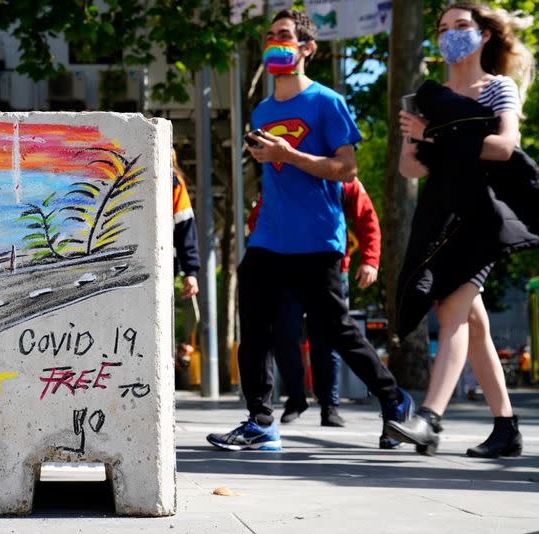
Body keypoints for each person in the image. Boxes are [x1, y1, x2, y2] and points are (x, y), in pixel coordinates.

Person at [206, 9, 412, 452]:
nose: (275, 42)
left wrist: (291, 154)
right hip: (269, 240)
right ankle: (261, 421)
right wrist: (267, 157)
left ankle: (394, 401)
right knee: (254, 324)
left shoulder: (328, 102)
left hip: (318, 239)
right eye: (269, 36)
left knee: (336, 329)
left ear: (307, 48)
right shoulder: (261, 108)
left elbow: (346, 168)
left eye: (285, 36)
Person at [387, 3, 538, 457]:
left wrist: (436, 138)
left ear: (484, 35)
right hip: (441, 216)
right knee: (474, 323)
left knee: (452, 309)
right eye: (444, 28)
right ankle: (506, 428)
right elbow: (409, 167)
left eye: (461, 27)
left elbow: (504, 146)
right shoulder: (426, 97)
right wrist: (419, 138)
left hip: (482, 216)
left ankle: (430, 420)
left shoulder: (498, 89)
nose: (451, 34)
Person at [247, 178, 381, 427]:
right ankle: (296, 398)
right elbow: (256, 219)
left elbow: (366, 217)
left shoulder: (342, 175)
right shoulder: (282, 176)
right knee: (284, 335)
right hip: (286, 271)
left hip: (329, 270)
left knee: (327, 338)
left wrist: (370, 260)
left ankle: (330, 406)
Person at [172, 150, 200, 300]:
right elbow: (186, 228)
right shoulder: (175, 183)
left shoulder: (175, 184)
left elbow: (185, 226)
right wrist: (190, 272)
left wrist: (191, 272)